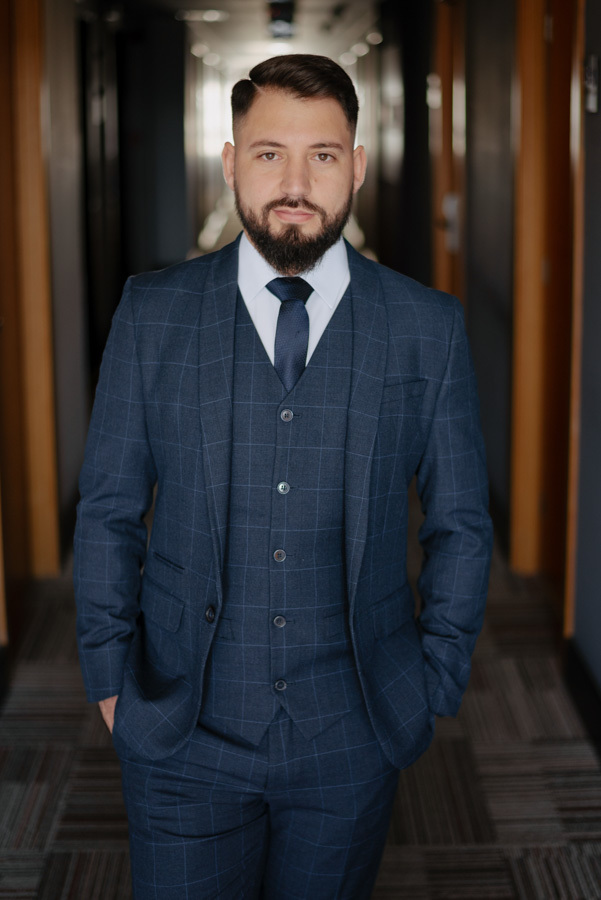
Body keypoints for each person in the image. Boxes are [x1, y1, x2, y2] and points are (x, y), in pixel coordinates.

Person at [74, 53, 493, 899]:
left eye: (323, 156)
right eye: (269, 153)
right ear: (230, 162)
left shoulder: (425, 328)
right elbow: (109, 511)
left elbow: (460, 524)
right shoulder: (152, 312)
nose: (295, 182)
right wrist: (109, 679)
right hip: (180, 730)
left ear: (357, 167)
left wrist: (434, 679)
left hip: (355, 732)